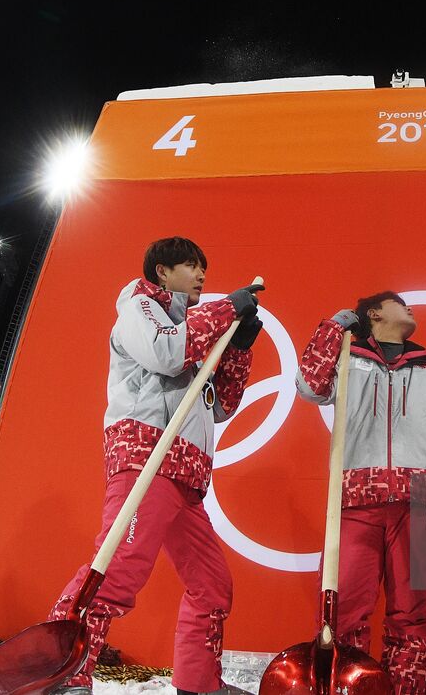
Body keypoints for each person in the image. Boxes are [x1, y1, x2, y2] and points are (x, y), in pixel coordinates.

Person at [46, 237, 263, 695]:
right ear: (162, 271)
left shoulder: (196, 329)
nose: (201, 274)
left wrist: (239, 348)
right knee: (119, 565)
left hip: (185, 473)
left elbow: (221, 405)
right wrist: (226, 308)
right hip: (148, 457)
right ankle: (63, 669)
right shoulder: (140, 308)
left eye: (204, 266)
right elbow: (166, 353)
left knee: (212, 586)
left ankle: (198, 684)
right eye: (190, 265)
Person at [295, 291, 426, 695]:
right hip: (355, 502)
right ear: (374, 313)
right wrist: (332, 329)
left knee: (412, 615)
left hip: (421, 503)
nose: (409, 307)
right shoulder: (347, 358)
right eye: (398, 302)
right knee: (341, 612)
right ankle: (348, 689)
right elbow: (309, 386)